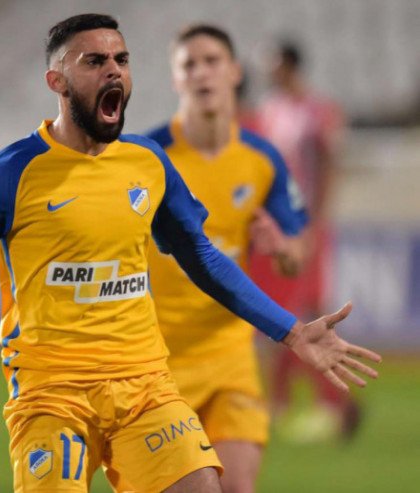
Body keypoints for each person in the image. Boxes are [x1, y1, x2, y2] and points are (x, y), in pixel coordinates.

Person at [0, 14, 380, 493]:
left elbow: (204, 258)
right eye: (95, 61)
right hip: (51, 394)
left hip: (145, 385)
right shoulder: (11, 173)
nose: (113, 71)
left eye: (122, 60)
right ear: (57, 82)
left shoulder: (148, 163)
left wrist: (289, 330)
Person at [144, 25, 311, 493]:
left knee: (237, 487)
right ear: (176, 79)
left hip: (229, 356)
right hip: (156, 362)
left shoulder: (263, 159)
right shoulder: (146, 158)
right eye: (189, 64)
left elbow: (297, 254)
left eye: (212, 61)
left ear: (234, 72)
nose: (201, 72)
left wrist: (283, 249)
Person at [251, 41, 356, 441]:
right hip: (276, 228)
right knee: (278, 311)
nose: (267, 71)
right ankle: (282, 402)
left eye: (273, 63)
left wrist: (316, 222)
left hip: (306, 227)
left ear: (288, 64)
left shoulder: (317, 111)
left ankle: (334, 403)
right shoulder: (269, 109)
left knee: (309, 310)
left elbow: (328, 166)